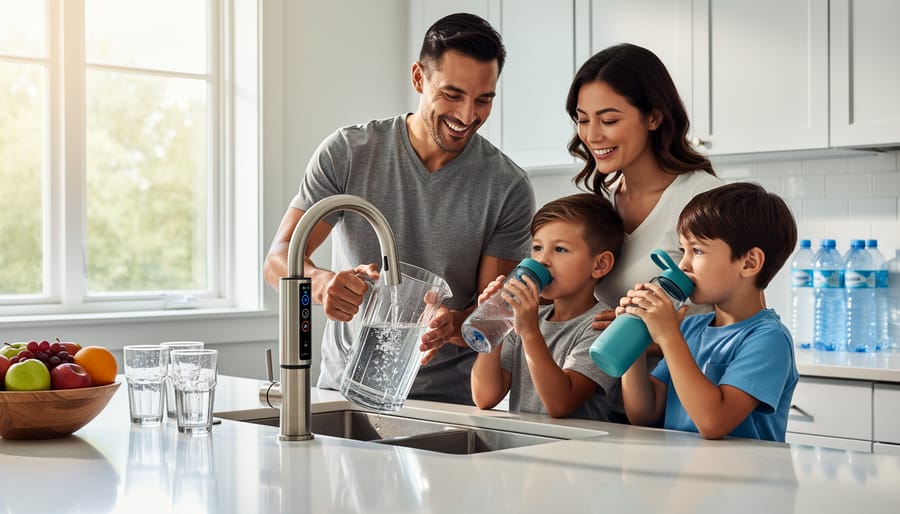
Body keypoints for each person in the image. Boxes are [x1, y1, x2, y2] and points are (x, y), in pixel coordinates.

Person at [263, 13, 535, 405]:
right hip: (343, 391)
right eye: (452, 94)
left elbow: (491, 314)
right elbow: (277, 262)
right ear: (419, 78)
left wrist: (453, 325)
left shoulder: (507, 186)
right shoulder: (348, 153)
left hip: (446, 404)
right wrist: (322, 285)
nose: (467, 115)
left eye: (484, 99)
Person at [619, 182, 799, 442]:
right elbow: (643, 413)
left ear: (749, 263)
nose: (683, 264)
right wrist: (634, 339)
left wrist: (668, 336)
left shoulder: (769, 339)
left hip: (745, 469)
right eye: (683, 250)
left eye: (697, 250)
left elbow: (714, 422)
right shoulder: (691, 328)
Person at [565, 43, 723, 321]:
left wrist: (645, 333)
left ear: (654, 117)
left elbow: (740, 321)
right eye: (583, 120)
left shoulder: (705, 199)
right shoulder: (604, 206)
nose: (591, 136)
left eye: (609, 120)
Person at [471, 193, 625, 420]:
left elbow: (561, 404)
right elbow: (485, 397)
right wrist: (494, 321)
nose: (542, 260)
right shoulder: (526, 318)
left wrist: (530, 332)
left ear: (600, 264)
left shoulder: (604, 326)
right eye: (537, 248)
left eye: (560, 249)